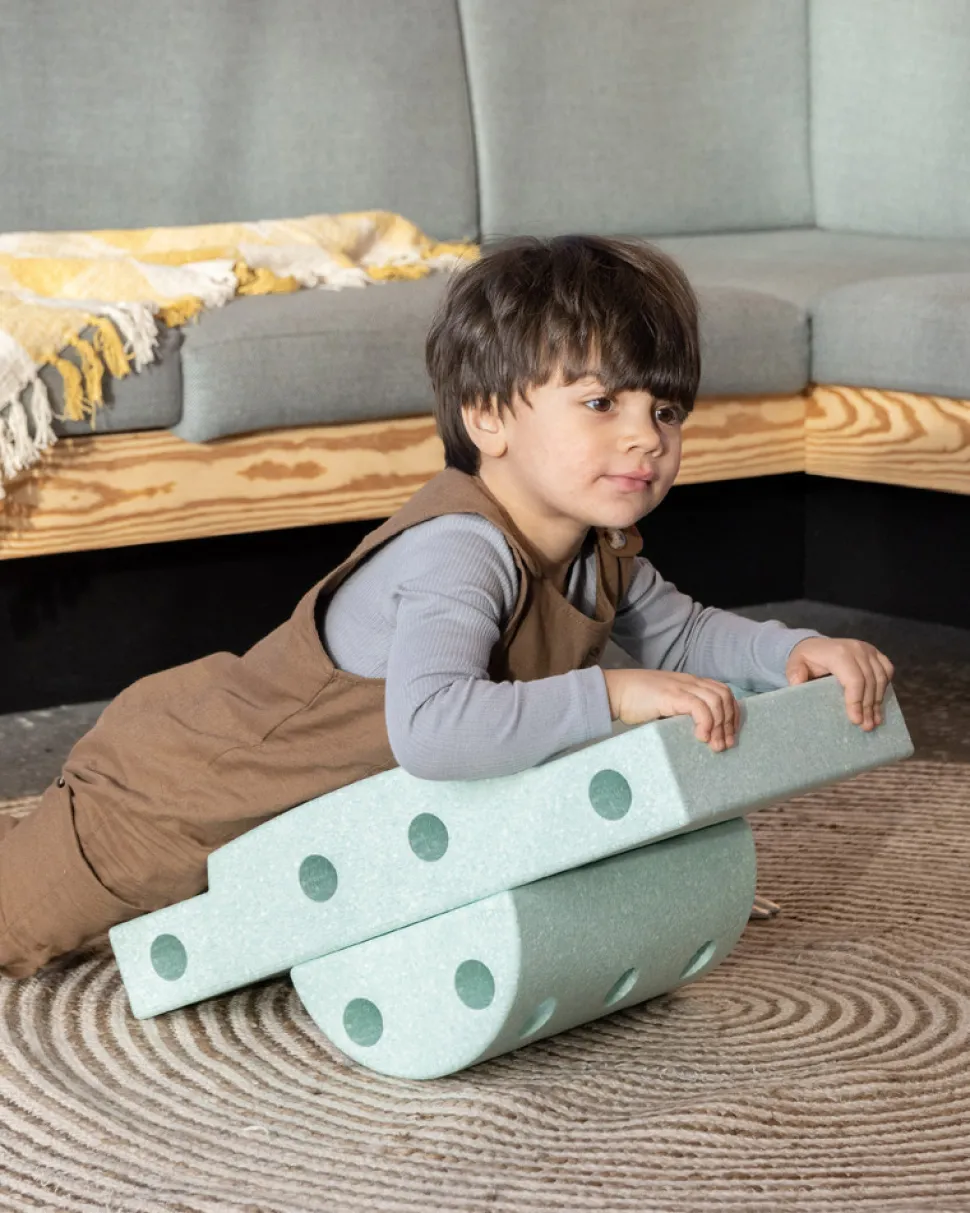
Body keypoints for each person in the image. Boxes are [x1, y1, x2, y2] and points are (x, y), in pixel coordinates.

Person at [0, 234, 894, 979]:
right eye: (601, 402)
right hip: (176, 794)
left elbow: (685, 633)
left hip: (303, 822)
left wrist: (791, 651)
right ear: (488, 418)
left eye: (666, 410)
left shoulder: (599, 547)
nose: (645, 436)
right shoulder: (461, 549)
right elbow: (434, 730)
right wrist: (615, 693)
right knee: (19, 921)